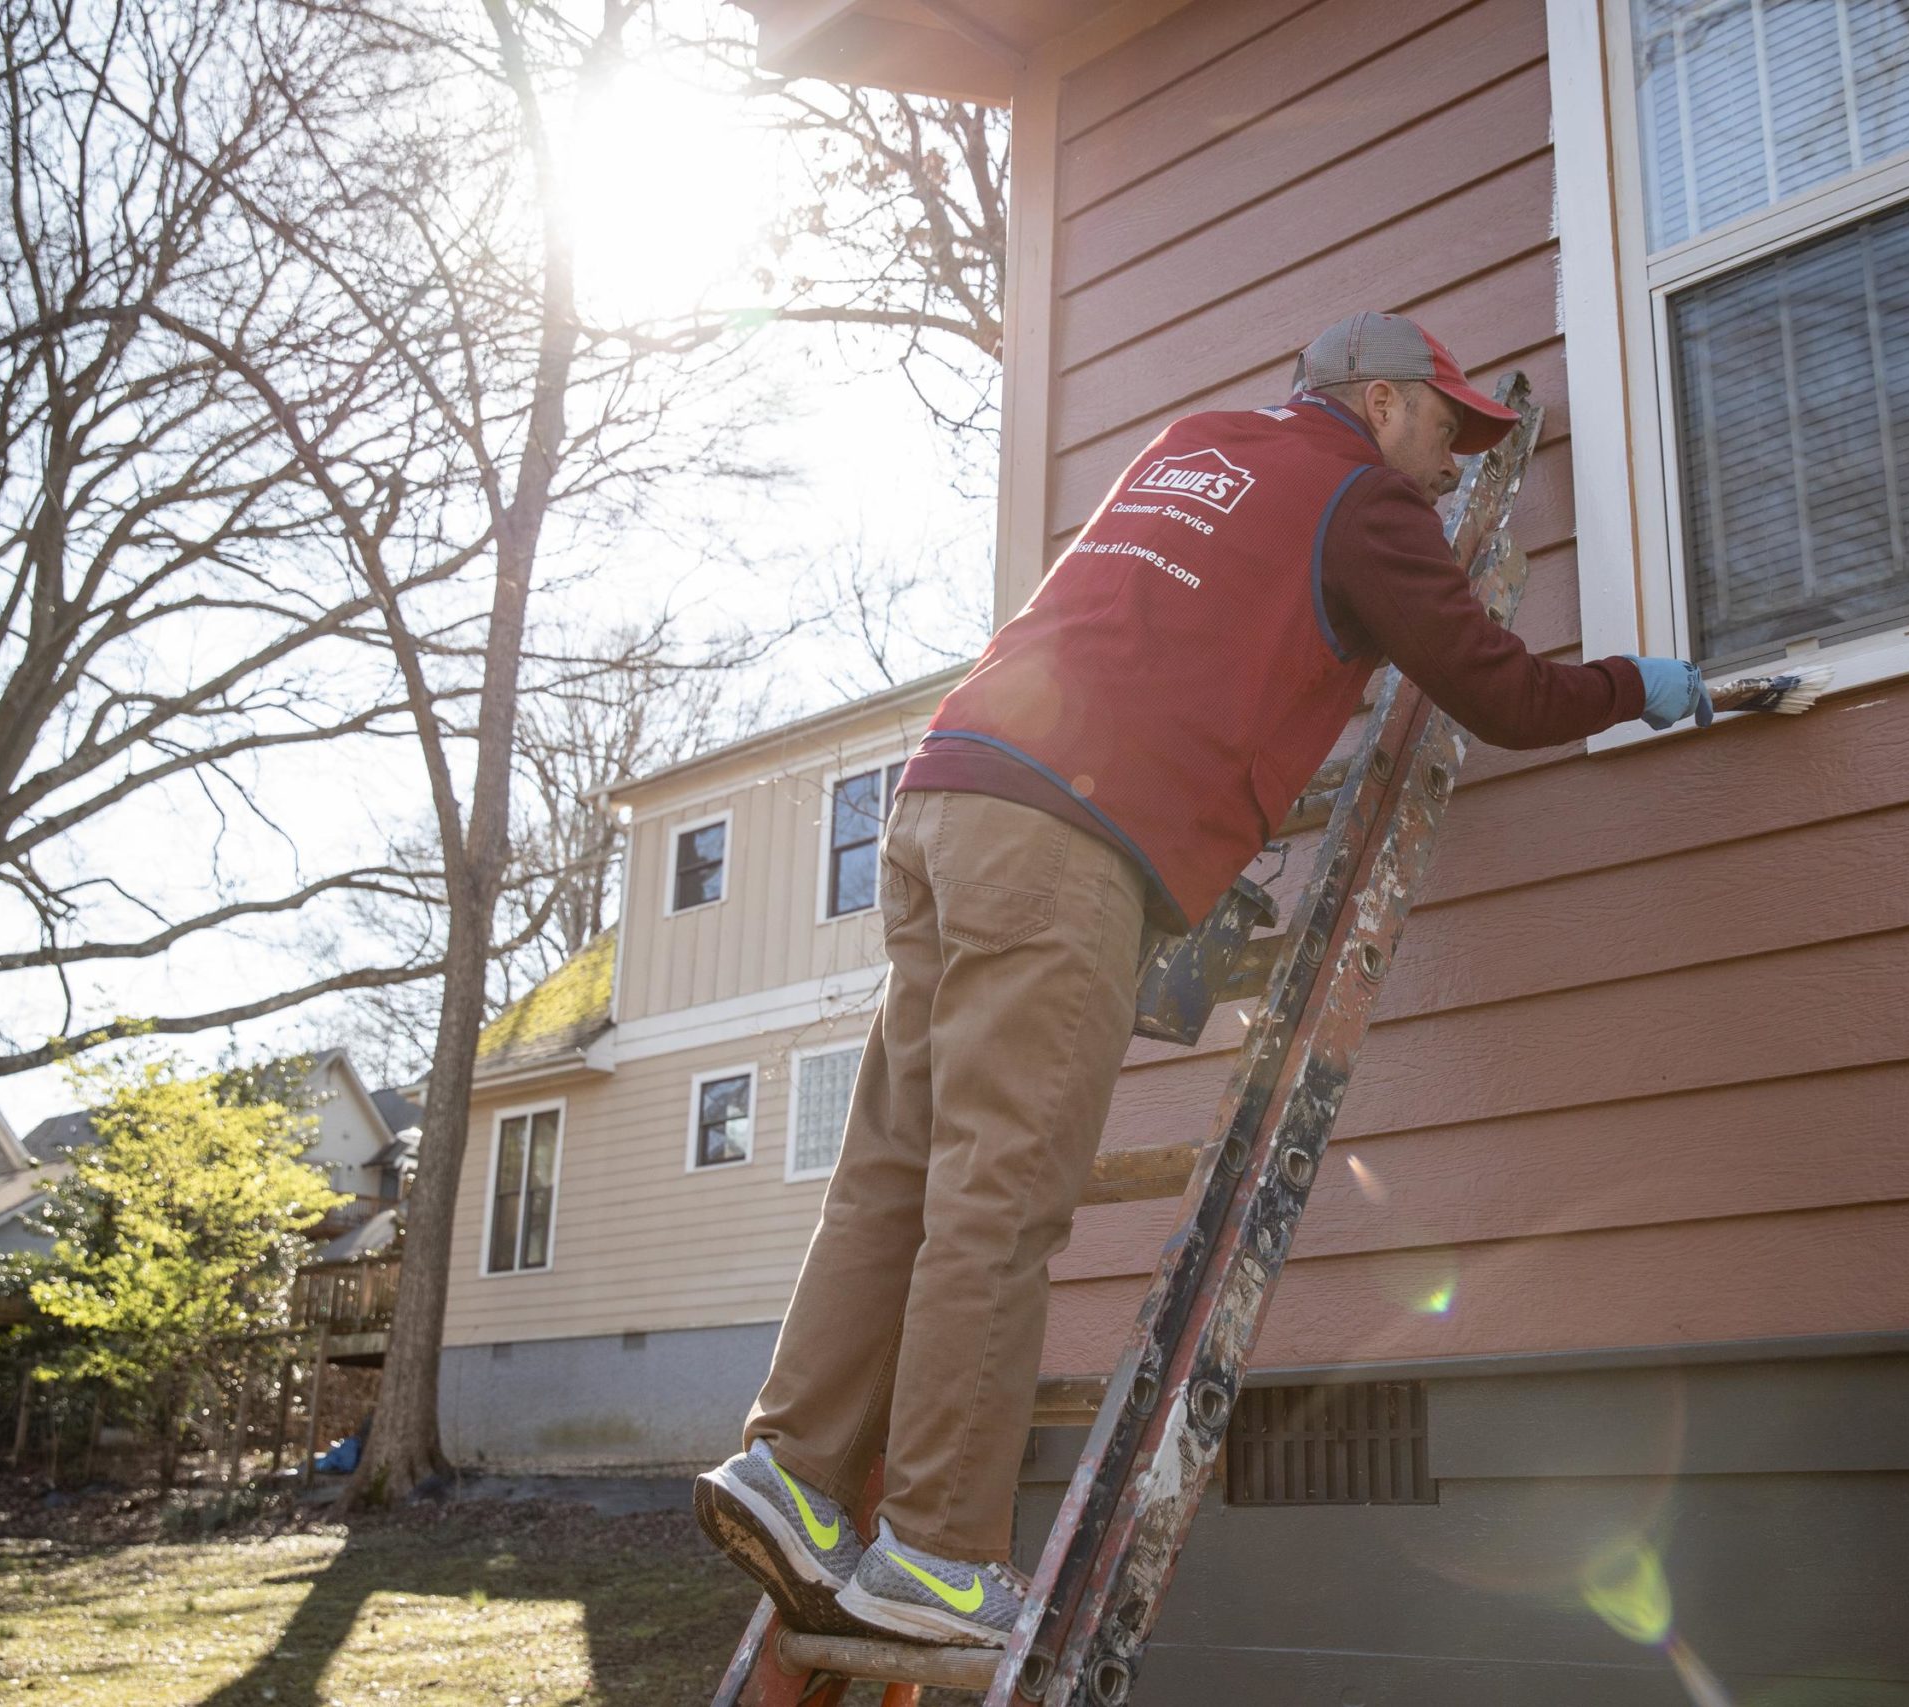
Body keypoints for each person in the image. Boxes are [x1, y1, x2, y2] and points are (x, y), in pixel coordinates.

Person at [695, 311, 1712, 1647]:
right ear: (1383, 401)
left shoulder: (1194, 448)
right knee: (1001, 1190)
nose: (1458, 464)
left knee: (896, 1164)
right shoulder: (1364, 500)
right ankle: (937, 1555)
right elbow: (1503, 694)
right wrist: (1641, 680)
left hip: (949, 795)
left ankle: (793, 1469)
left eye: (1477, 444)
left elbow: (1170, 641)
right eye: (1447, 431)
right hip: (1064, 838)